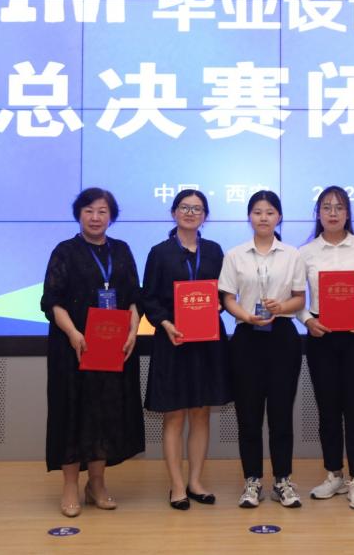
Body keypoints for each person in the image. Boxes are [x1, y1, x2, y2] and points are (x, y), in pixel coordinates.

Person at [41, 187, 145, 517]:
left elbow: (134, 297)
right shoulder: (65, 251)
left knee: (104, 413)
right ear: (79, 215)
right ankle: (71, 485)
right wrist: (73, 333)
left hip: (113, 347)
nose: (95, 217)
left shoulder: (122, 250)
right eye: (89, 211)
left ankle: (97, 484)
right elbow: (52, 301)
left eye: (102, 211)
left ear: (111, 216)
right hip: (73, 349)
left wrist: (133, 330)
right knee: (72, 413)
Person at [140, 188, 232, 510]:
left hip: (207, 343)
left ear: (205, 216)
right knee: (175, 415)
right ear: (174, 212)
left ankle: (195, 481)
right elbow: (149, 297)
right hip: (173, 341)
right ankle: (177, 486)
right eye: (184, 207)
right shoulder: (159, 252)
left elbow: (224, 293)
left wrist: (219, 305)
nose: (190, 213)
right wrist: (165, 323)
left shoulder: (214, 251)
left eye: (197, 209)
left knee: (201, 413)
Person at [218, 190, 306, 509]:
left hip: (282, 335)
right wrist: (245, 315)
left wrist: (281, 306)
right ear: (249, 217)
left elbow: (300, 298)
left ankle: (282, 480)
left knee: (281, 413)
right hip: (246, 336)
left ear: (279, 217)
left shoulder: (292, 254)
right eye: (257, 212)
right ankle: (252, 480)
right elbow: (227, 298)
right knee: (249, 415)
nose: (263, 217)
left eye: (269, 212)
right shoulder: (235, 255)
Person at [297, 186, 354, 510]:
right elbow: (296, 296)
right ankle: (334, 473)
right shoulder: (305, 252)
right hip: (322, 335)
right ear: (318, 214)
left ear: (348, 213)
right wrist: (307, 320)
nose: (333, 213)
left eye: (339, 207)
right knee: (328, 409)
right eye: (327, 207)